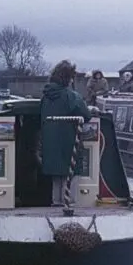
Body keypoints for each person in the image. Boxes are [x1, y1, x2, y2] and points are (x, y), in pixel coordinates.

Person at [40, 60, 93, 207]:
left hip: (50, 142)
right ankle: (70, 204)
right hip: (68, 141)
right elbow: (86, 115)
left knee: (56, 176)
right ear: (67, 78)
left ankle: (55, 203)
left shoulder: (45, 96)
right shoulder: (71, 96)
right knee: (72, 173)